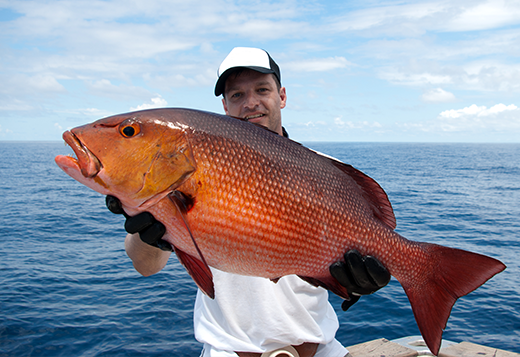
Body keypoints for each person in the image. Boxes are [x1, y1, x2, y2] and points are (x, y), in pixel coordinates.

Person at [107, 47, 390, 357]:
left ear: (281, 96)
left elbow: (359, 253)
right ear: (225, 107)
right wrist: (153, 238)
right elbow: (146, 266)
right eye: (237, 95)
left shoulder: (326, 171)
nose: (251, 102)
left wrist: (360, 281)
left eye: (262, 90)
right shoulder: (191, 172)